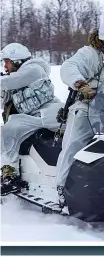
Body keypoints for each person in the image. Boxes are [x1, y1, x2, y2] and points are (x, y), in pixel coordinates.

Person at [55, 18, 104, 200]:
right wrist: (81, 84)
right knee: (74, 143)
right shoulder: (89, 54)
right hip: (87, 106)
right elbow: (68, 67)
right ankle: (62, 187)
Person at [1, 43, 61, 195]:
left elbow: (8, 83)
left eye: (7, 62)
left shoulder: (33, 70)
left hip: (50, 113)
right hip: (34, 117)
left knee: (9, 129)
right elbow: (5, 98)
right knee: (8, 128)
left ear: (16, 60)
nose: (5, 66)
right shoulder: (17, 77)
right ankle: (10, 172)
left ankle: (10, 173)